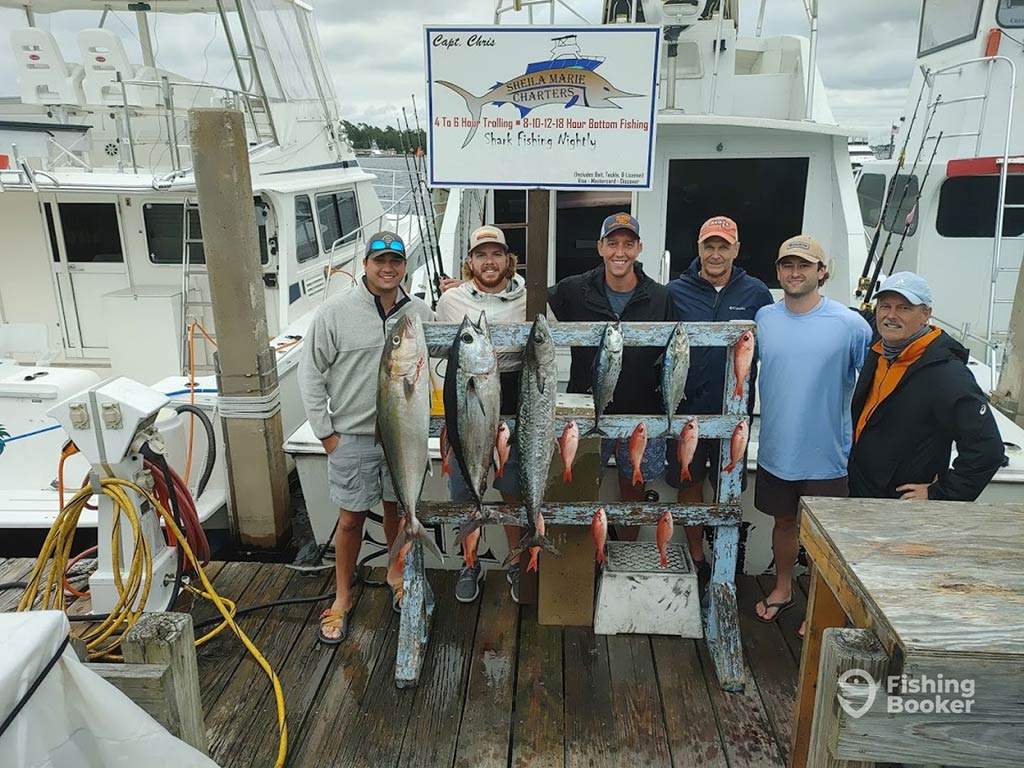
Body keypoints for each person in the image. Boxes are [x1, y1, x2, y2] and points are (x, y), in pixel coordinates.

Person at [299, 231, 434, 644]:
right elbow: (310, 373)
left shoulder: (421, 313)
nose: (388, 268)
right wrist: (327, 435)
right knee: (351, 518)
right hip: (353, 436)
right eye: (380, 261)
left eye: (395, 260)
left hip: (405, 436)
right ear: (366, 265)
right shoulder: (334, 312)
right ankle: (342, 596)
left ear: (404, 267)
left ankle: (395, 574)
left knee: (397, 509)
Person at [753, 235, 871, 623]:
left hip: (828, 455)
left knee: (826, 538)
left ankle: (821, 607)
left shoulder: (851, 324)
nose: (795, 272)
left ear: (822, 272)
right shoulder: (764, 319)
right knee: (783, 523)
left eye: (804, 265)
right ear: (778, 272)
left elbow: (871, 383)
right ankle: (783, 588)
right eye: (788, 265)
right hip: (776, 450)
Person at [548, 213, 676, 527]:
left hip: (641, 411)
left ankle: (621, 556)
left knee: (633, 489)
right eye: (613, 243)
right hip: (585, 410)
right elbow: (532, 301)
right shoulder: (573, 289)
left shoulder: (660, 296)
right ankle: (580, 567)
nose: (620, 251)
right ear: (600, 247)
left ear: (639, 248)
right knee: (577, 487)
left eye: (628, 244)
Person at [665, 216, 772, 589]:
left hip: (735, 414)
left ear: (736, 250)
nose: (715, 253)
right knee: (688, 482)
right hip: (686, 410)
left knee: (727, 483)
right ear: (698, 248)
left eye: (723, 246)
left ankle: (724, 562)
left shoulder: (757, 293)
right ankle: (697, 559)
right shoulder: (674, 291)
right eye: (709, 245)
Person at [849, 272, 1004, 500]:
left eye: (904, 308)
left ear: (926, 315)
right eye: (885, 306)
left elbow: (987, 450)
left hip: (899, 506)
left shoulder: (947, 375)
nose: (891, 315)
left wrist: (938, 494)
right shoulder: (879, 351)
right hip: (860, 490)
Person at [434, 225, 526, 604]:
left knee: (511, 491)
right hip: (466, 395)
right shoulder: (450, 302)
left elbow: (551, 340)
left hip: (512, 392)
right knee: (465, 489)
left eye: (496, 254)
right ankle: (468, 561)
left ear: (508, 260)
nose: (489, 261)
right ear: (470, 262)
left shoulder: (529, 297)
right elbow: (438, 349)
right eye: (481, 254)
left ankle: (517, 560)